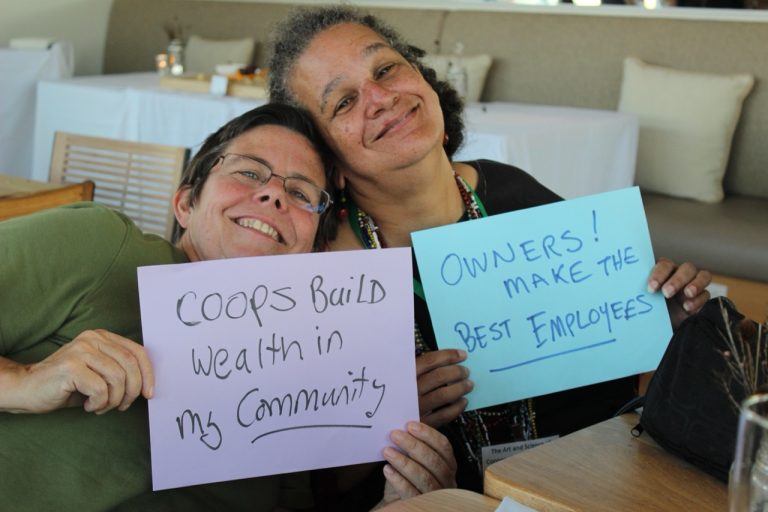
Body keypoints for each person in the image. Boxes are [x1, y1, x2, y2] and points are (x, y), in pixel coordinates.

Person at [267, 5, 713, 493]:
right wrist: (380, 418)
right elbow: (302, 478)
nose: (380, 97)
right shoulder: (318, 280)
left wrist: (658, 317)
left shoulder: (513, 192)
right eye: (344, 102)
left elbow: (610, 381)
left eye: (386, 68)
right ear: (324, 156)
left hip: (595, 485)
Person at [0, 103, 455, 511]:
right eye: (249, 173)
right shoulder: (102, 246)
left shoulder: (306, 369)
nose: (274, 195)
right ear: (185, 203)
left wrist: (395, 489)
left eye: (300, 194)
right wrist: (22, 383)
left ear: (313, 252)